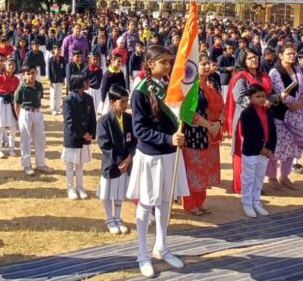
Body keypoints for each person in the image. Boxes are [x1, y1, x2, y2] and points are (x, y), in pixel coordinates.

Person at [127, 45, 187, 278]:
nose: (168, 65)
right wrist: (167, 138)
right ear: (150, 64)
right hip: (151, 155)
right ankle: (142, 253)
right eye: (163, 62)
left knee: (164, 202)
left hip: (170, 153)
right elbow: (139, 129)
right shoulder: (140, 91)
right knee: (146, 204)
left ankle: (161, 246)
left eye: (169, 61)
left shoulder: (171, 86)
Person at [224, 47, 272, 193]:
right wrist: (260, 102)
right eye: (250, 58)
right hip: (245, 120)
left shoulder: (262, 76)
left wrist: (276, 98)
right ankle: (243, 186)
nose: (254, 60)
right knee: (244, 152)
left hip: (261, 119)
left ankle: (255, 185)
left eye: (255, 57)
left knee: (258, 151)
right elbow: (239, 98)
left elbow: (267, 95)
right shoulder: (240, 77)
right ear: (243, 60)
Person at [181, 54, 223, 215]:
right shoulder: (190, 86)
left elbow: (222, 105)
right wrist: (208, 125)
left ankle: (201, 201)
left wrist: (218, 123)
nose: (206, 67)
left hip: (213, 133)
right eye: (203, 64)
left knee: (205, 168)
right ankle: (190, 203)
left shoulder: (213, 83)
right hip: (196, 134)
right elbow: (188, 112)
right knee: (194, 169)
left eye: (208, 63)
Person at [267, 45, 303, 191]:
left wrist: (301, 102)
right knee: (277, 146)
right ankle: (272, 177)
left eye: (293, 53)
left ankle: (284, 176)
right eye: (288, 54)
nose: (292, 56)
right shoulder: (275, 72)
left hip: (298, 113)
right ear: (281, 55)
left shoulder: (298, 70)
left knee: (292, 146)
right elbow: (281, 92)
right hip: (280, 114)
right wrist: (293, 103)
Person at [96, 85, 136, 234]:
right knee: (107, 191)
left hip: (126, 162)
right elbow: (104, 144)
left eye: (126, 101)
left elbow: (134, 141)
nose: (125, 105)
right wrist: (119, 160)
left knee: (119, 191)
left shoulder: (129, 119)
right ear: (112, 102)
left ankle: (118, 217)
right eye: (122, 102)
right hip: (111, 163)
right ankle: (109, 218)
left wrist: (129, 158)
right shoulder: (104, 121)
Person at [237, 84, 276, 218]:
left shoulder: (269, 112)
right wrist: (260, 148)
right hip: (251, 151)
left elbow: (273, 131)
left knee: (259, 177)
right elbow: (247, 134)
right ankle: (247, 202)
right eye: (257, 96)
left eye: (263, 96)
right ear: (250, 98)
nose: (261, 99)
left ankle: (256, 201)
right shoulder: (246, 114)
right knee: (248, 178)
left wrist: (270, 148)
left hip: (265, 152)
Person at [62, 75, 97, 199]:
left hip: (85, 136)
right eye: (86, 81)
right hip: (73, 136)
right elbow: (69, 121)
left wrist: (91, 133)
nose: (88, 83)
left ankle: (80, 187)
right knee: (70, 163)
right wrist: (81, 133)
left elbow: (92, 117)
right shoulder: (68, 100)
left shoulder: (89, 98)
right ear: (79, 83)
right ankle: (70, 188)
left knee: (80, 163)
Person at [14, 65, 52, 176]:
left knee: (40, 139)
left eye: (33, 73)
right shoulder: (21, 88)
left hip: (37, 112)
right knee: (26, 140)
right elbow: (16, 104)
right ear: (24, 75)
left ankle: (40, 163)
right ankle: (27, 165)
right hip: (26, 113)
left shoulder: (39, 85)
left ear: (36, 73)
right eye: (28, 74)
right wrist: (19, 117)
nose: (31, 76)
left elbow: (39, 99)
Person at [0, 60, 20, 159]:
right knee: (0, 126)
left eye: (13, 65)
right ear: (5, 67)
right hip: (0, 101)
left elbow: (15, 91)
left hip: (10, 101)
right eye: (9, 65)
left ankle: (11, 148)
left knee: (13, 126)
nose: (12, 67)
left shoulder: (16, 79)